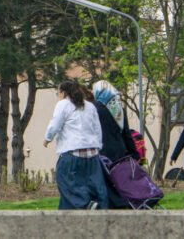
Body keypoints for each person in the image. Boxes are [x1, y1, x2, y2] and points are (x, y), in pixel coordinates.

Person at [44, 80, 108, 210]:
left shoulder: (63, 104)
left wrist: (47, 138)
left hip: (73, 153)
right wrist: (98, 146)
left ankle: (85, 204)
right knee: (93, 185)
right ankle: (98, 206)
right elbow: (97, 128)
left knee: (65, 182)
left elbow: (55, 124)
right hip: (92, 154)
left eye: (58, 93)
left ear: (63, 93)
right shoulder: (90, 106)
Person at [90, 80, 139, 209]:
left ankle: (108, 205)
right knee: (118, 180)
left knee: (104, 181)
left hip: (102, 151)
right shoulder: (119, 108)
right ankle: (121, 204)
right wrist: (134, 153)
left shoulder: (94, 108)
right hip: (119, 151)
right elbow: (126, 134)